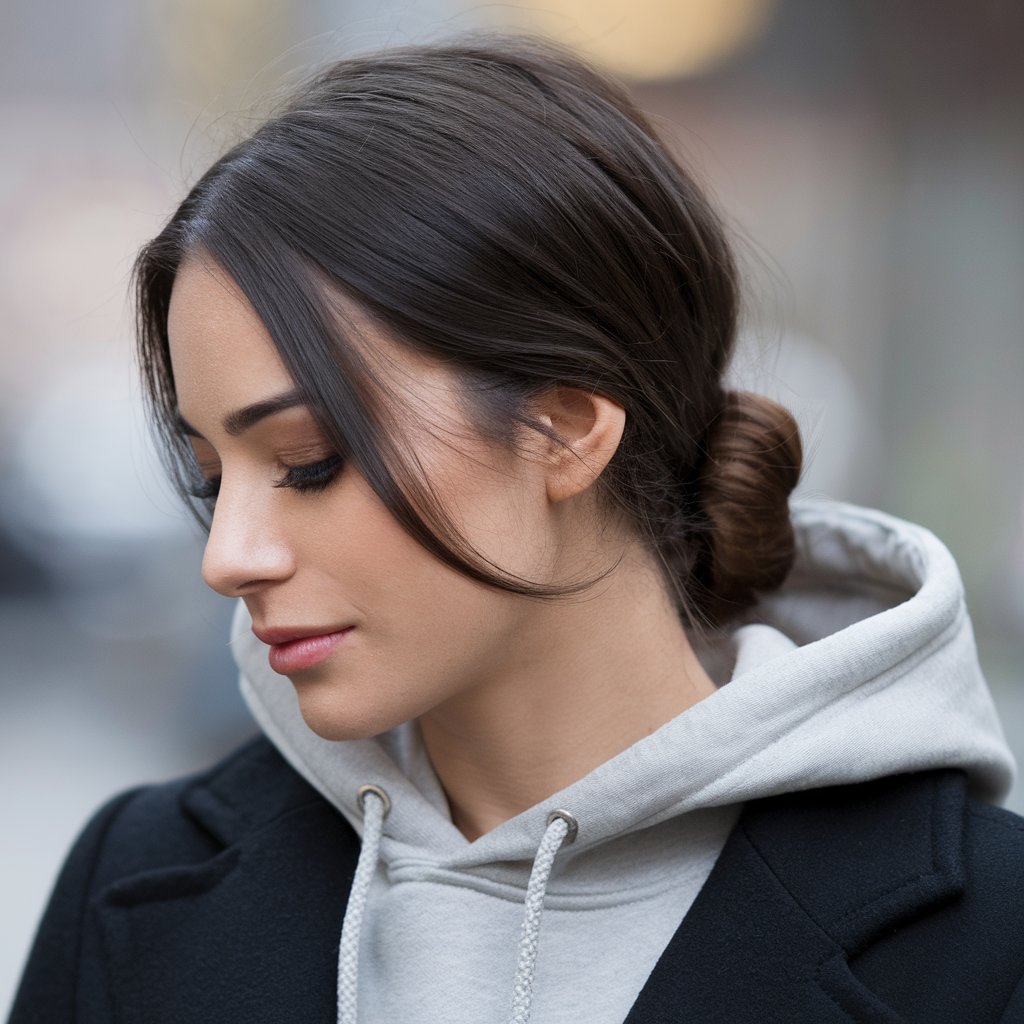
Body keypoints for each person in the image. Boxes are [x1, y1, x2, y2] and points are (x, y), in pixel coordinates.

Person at [8, 33, 1024, 1024]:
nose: (228, 557)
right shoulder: (134, 887)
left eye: (310, 461)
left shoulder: (987, 939)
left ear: (564, 428)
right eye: (209, 475)